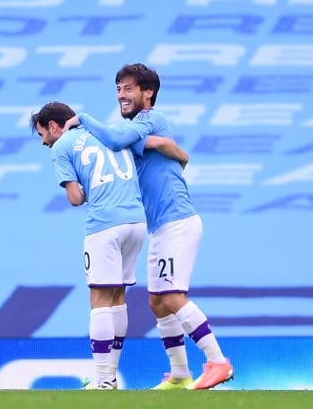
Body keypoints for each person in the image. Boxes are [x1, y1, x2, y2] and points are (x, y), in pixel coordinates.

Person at [66, 63, 234, 390]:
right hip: (159, 226)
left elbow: (116, 138)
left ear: (148, 93)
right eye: (118, 89)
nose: (121, 95)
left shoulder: (149, 120)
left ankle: (218, 361)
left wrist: (82, 118)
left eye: (128, 89)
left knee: (172, 296)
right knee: (156, 301)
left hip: (178, 221)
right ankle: (180, 375)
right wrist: (172, 151)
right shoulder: (138, 132)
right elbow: (152, 148)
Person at [30, 101, 153, 390]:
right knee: (118, 296)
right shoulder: (108, 132)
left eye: (42, 135)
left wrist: (85, 187)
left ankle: (102, 379)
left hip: (104, 224)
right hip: (136, 221)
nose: (44, 142)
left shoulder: (62, 147)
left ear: (53, 126)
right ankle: (109, 373)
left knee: (99, 298)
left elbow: (75, 198)